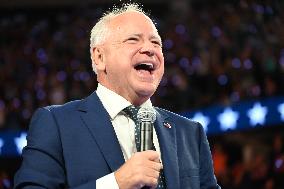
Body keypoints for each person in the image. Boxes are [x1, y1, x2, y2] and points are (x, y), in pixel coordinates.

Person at [14, 3, 220, 189]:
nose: (149, 49)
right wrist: (116, 183)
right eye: (133, 40)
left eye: (156, 43)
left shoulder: (190, 133)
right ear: (99, 57)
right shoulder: (56, 124)